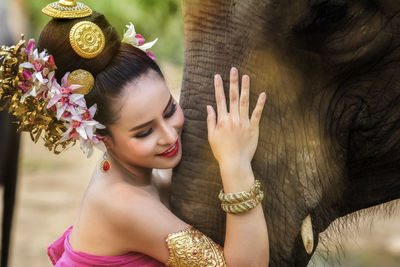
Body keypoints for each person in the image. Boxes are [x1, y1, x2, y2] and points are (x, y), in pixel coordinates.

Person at [0, 1, 269, 266]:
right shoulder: (124, 204)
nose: (169, 135)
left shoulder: (136, 171)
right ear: (100, 137)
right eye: (144, 132)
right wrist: (235, 164)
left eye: (169, 110)